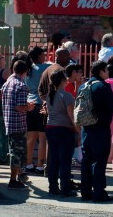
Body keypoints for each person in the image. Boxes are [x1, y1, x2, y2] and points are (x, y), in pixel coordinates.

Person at [79, 61, 113, 203]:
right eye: (106, 71)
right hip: (101, 128)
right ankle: (99, 193)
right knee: (100, 161)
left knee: (87, 160)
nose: (108, 73)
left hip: (86, 128)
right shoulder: (103, 86)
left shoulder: (83, 86)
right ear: (102, 71)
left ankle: (85, 191)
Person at [1, 60, 34, 189]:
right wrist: (29, 107)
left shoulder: (7, 84)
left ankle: (18, 176)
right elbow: (20, 107)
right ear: (25, 72)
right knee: (17, 152)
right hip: (18, 124)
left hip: (9, 122)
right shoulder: (21, 86)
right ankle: (13, 180)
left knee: (14, 151)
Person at [44, 69, 76, 197]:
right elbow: (71, 115)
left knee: (54, 160)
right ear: (63, 81)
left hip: (51, 127)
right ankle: (65, 188)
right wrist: (77, 129)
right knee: (65, 161)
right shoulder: (67, 96)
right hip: (64, 129)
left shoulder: (49, 95)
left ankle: (53, 187)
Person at [25, 47, 49, 175]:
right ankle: (40, 165)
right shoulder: (44, 68)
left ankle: (29, 164)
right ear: (40, 56)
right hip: (41, 104)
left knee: (30, 138)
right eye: (44, 54)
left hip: (30, 104)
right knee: (42, 138)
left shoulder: (28, 69)